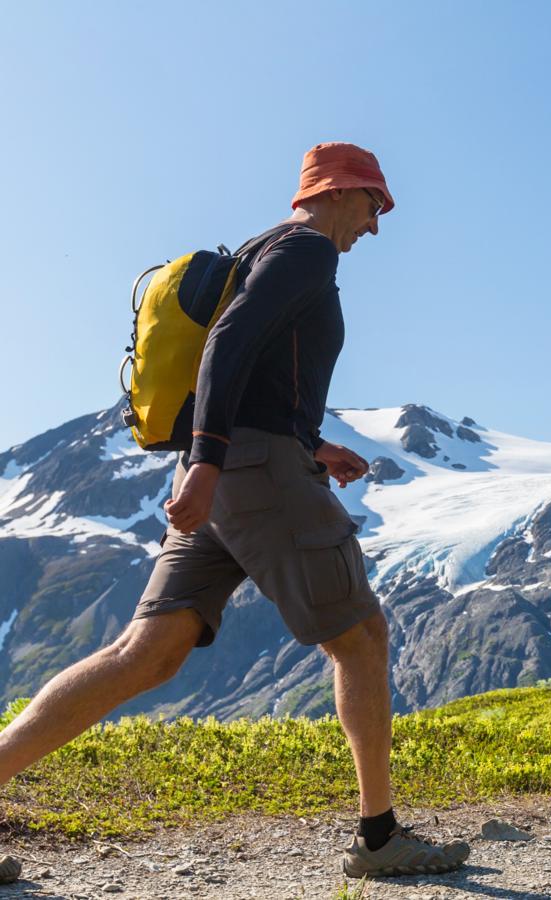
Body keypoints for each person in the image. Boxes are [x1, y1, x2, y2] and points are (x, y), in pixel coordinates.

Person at [0, 143, 469, 882]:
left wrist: (310, 446)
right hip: (246, 473)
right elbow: (228, 343)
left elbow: (256, 371)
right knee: (363, 637)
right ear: (342, 191)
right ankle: (380, 841)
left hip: (235, 470)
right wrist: (216, 461)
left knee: (146, 655)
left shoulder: (261, 251)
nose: (375, 226)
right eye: (375, 204)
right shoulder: (307, 251)